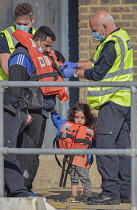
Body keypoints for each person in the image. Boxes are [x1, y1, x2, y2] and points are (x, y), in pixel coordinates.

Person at [60, 11, 133, 205]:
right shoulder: (121, 37)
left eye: (94, 30)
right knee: (121, 148)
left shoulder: (111, 44)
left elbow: (98, 72)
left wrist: (74, 72)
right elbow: (96, 62)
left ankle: (110, 192)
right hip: (123, 101)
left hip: (112, 100)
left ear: (104, 27)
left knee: (105, 146)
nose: (94, 34)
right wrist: (76, 63)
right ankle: (127, 192)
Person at [5, 25, 68, 196]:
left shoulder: (43, 55)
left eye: (50, 46)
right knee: (26, 151)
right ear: (37, 40)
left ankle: (27, 188)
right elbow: (15, 86)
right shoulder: (21, 56)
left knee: (34, 153)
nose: (49, 49)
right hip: (29, 112)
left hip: (42, 110)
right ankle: (19, 191)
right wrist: (22, 113)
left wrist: (53, 111)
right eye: (47, 46)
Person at [51, 103, 96, 203]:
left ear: (87, 118)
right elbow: (58, 123)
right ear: (72, 116)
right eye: (76, 117)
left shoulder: (90, 130)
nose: (79, 120)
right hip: (71, 159)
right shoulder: (68, 125)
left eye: (82, 117)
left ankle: (88, 195)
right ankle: (74, 196)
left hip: (83, 160)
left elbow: (96, 144)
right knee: (73, 178)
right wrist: (54, 113)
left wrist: (95, 136)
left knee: (84, 178)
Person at [0, 3, 36, 81]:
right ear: (14, 20)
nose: (22, 26)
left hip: (33, 86)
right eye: (19, 24)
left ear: (32, 19)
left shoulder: (37, 35)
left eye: (25, 24)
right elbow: (6, 70)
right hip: (9, 86)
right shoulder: (5, 36)